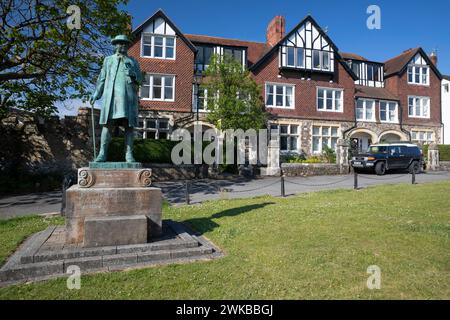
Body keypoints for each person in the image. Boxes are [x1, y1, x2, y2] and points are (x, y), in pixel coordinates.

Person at [90, 35, 143, 162]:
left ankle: (129, 154)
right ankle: (102, 153)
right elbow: (102, 79)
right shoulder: (108, 60)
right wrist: (96, 93)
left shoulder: (133, 61)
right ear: (115, 45)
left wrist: (134, 74)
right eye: (120, 43)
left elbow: (140, 79)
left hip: (128, 98)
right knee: (107, 126)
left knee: (129, 127)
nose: (123, 46)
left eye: (125, 44)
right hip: (111, 98)